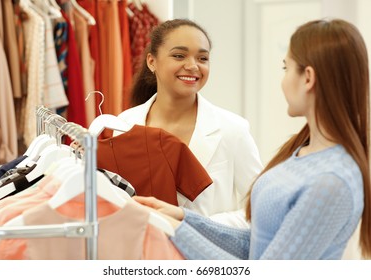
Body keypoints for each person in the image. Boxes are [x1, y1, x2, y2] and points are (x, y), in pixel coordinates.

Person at [133, 18, 371, 260]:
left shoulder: (330, 182)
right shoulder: (301, 152)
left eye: (285, 68)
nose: (283, 79)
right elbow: (259, 241)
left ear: (308, 78)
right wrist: (182, 219)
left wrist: (175, 231)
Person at [115, 19, 263, 228]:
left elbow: (259, 209)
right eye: (179, 55)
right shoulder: (123, 124)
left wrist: (193, 223)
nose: (193, 66)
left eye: (202, 58)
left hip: (205, 254)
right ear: (152, 62)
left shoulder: (233, 129)